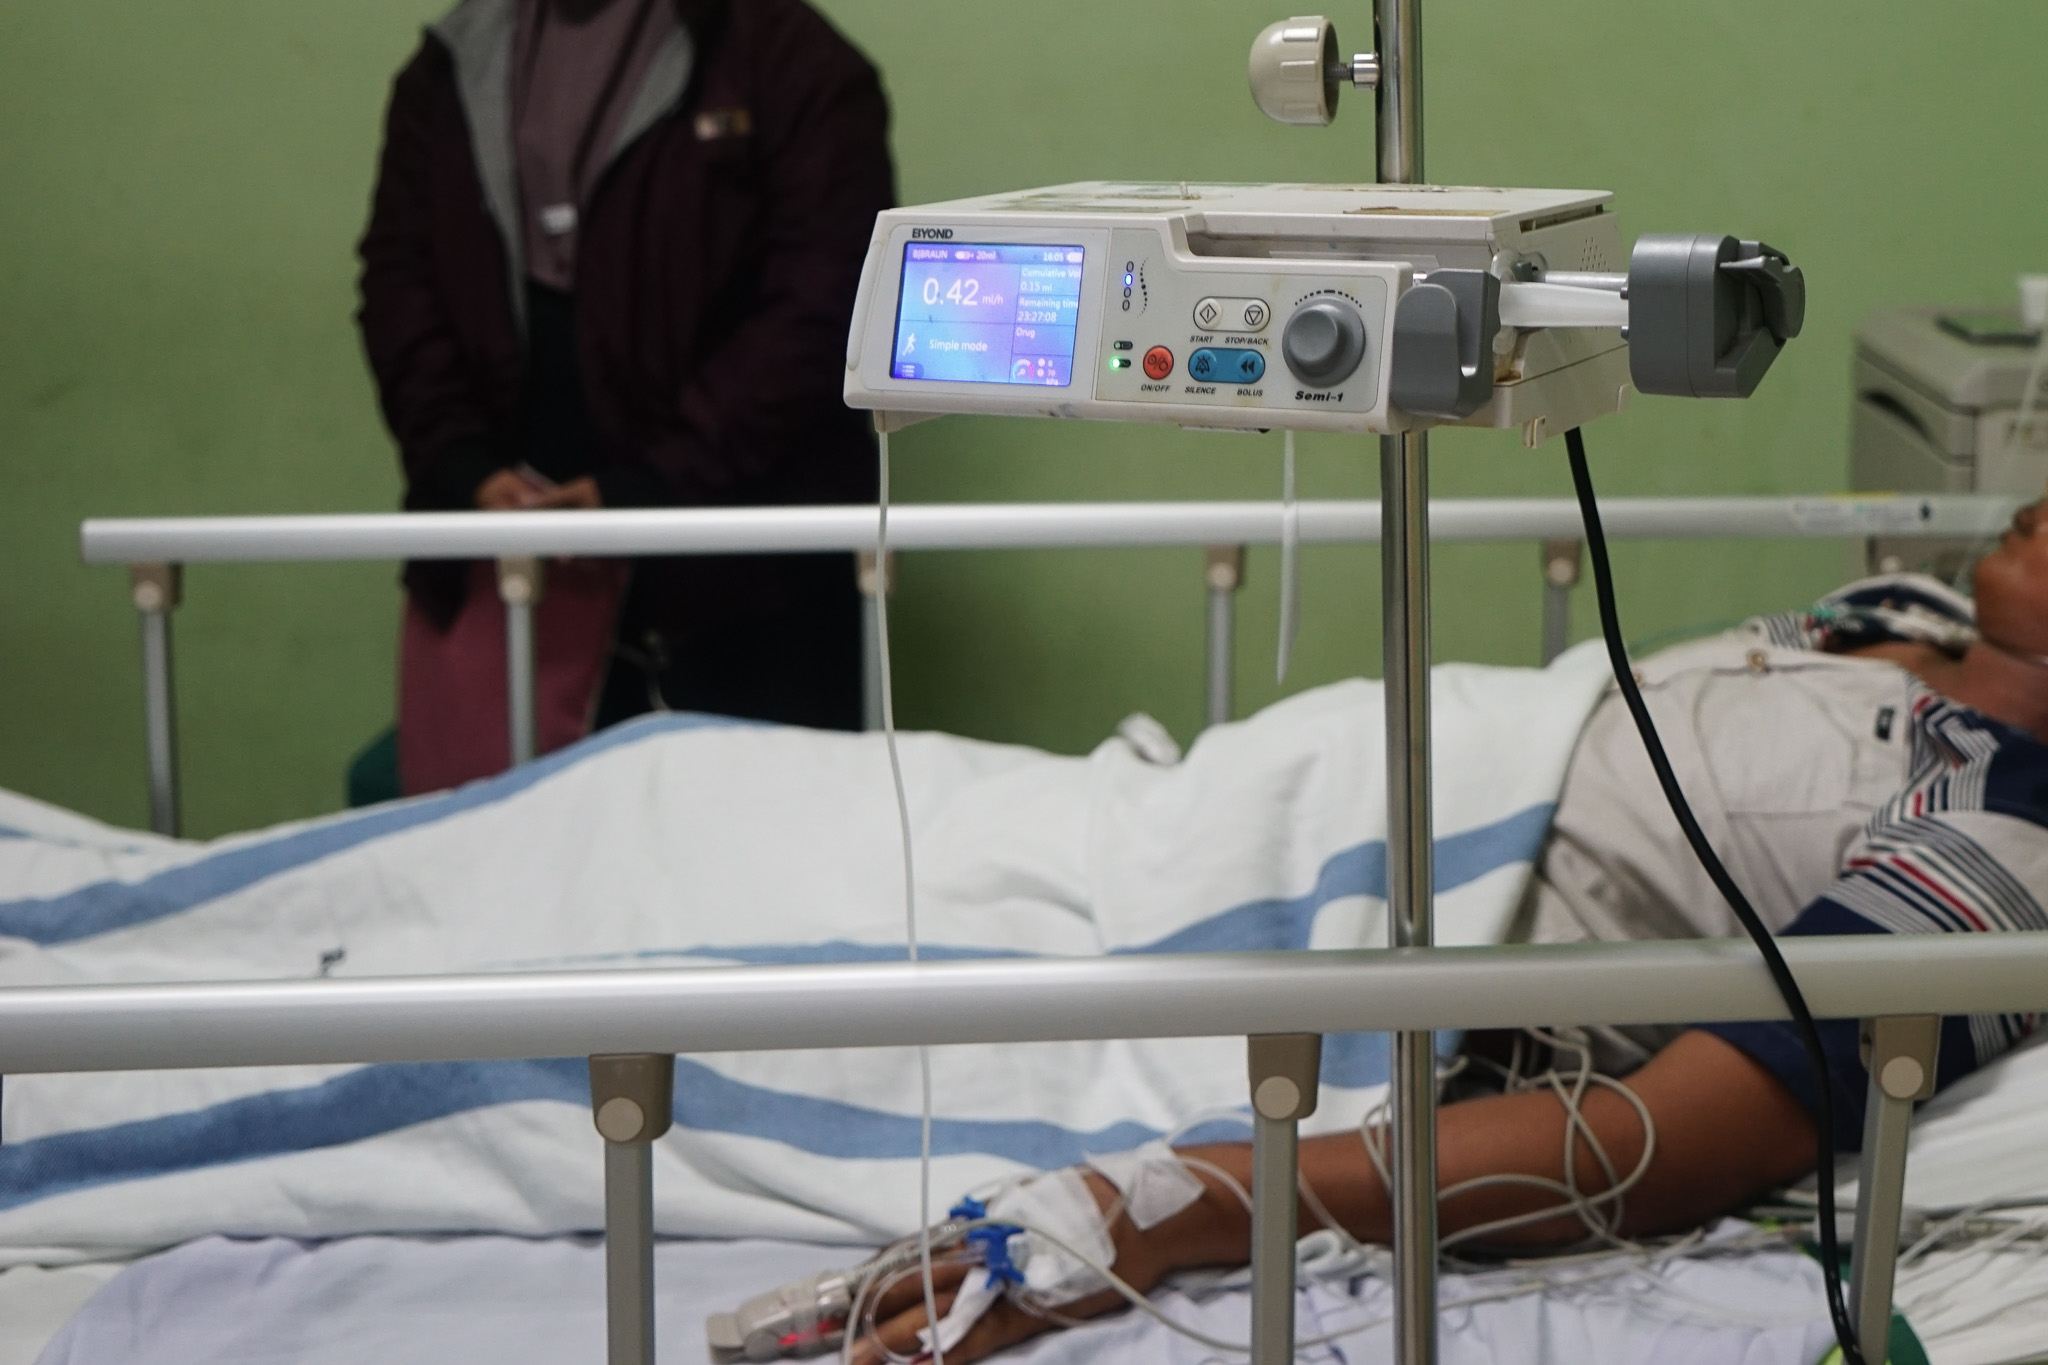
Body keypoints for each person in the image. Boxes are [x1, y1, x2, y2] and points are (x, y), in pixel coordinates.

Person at [845, 498, 2048, 1365]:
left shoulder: (2000, 846)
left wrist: (1189, 1200)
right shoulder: (1901, 613)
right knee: (695, 804)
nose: (2034, 495)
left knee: (772, 954)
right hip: (1197, 816)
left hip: (1278, 931)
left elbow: (1670, 1136)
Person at [357, 0, 894, 794]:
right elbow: (400, 287)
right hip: (512, 560)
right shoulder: (451, 65)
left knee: (753, 869)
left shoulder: (786, 62)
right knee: (501, 866)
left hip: (739, 582)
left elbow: (825, 307)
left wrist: (650, 487)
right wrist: (462, 464)